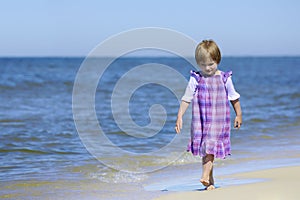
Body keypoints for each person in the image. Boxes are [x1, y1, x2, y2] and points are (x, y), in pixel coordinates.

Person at [175, 40, 242, 190]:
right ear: (198, 63)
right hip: (201, 119)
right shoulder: (196, 78)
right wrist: (179, 116)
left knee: (211, 144)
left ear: (217, 60)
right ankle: (210, 181)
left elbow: (234, 97)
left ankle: (205, 176)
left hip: (219, 120)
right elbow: (187, 98)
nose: (207, 68)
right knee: (206, 148)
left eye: (211, 64)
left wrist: (238, 114)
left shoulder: (225, 78)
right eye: (203, 65)